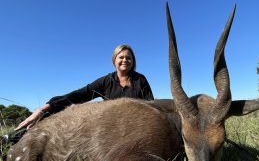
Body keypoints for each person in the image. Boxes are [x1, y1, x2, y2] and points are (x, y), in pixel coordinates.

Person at [2, 44, 154, 145]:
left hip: (135, 129)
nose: (125, 60)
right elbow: (79, 95)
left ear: (133, 61)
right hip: (111, 127)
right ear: (114, 60)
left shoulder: (140, 80)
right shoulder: (106, 81)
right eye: (121, 57)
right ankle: (9, 139)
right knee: (55, 113)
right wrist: (44, 108)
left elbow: (151, 106)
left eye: (128, 57)